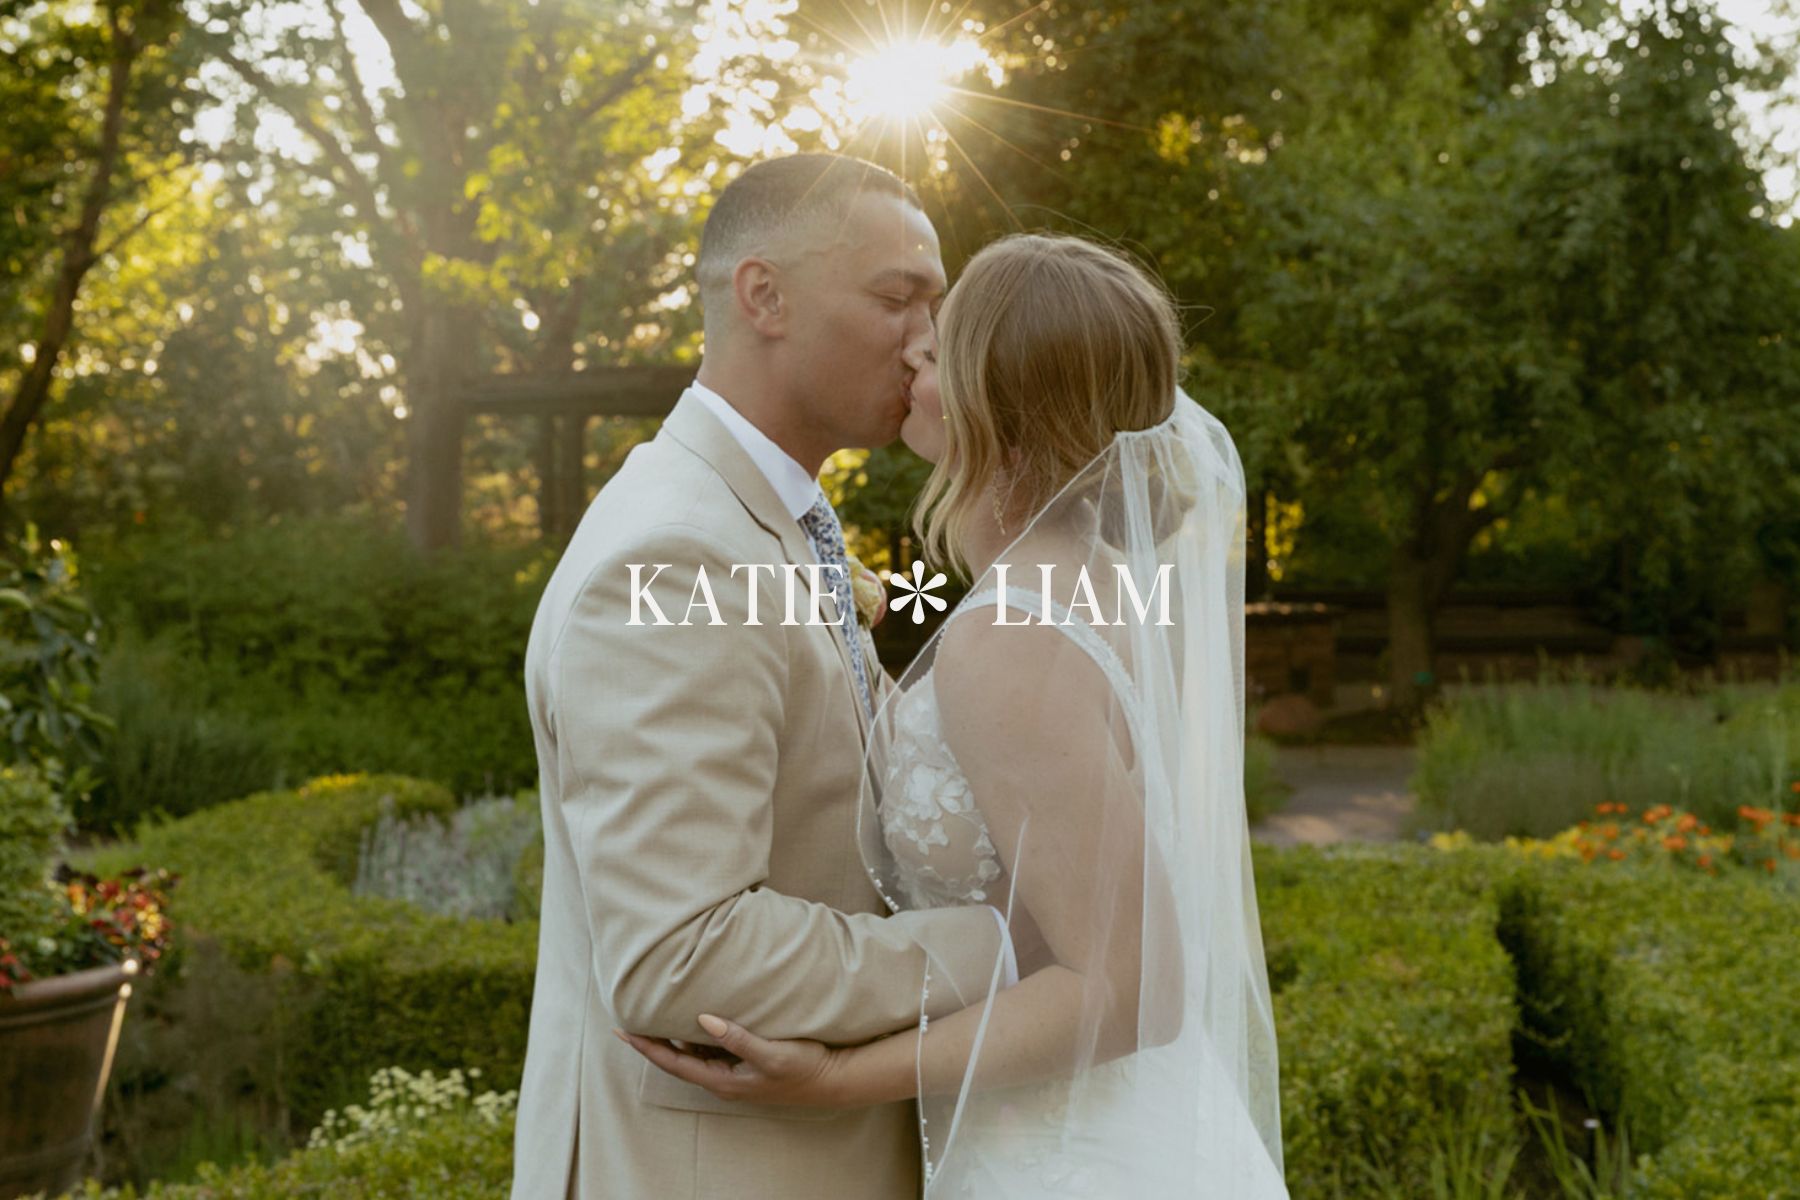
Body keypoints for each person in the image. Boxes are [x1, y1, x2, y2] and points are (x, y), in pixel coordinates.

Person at [625, 233, 1291, 1197]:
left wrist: (838, 1078)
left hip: (1062, 1159)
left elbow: (1129, 990)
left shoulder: (1011, 635)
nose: (910, 360)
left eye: (936, 354)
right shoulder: (1105, 584)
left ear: (997, 408)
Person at [511, 153, 1016, 1200]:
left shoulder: (771, 524)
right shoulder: (677, 556)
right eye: (897, 298)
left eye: (939, 304)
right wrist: (995, 951)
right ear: (765, 296)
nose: (931, 340)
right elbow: (682, 953)